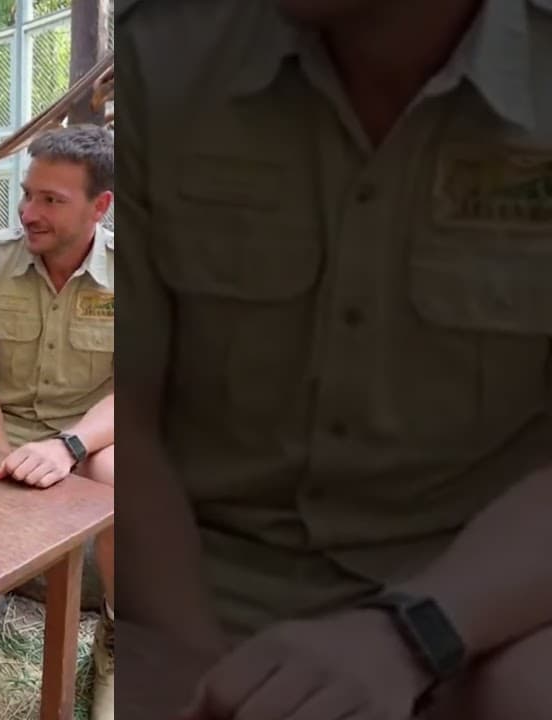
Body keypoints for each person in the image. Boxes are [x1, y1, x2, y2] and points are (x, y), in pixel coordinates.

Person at [119, 0, 552, 717]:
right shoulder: (163, 53)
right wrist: (212, 683)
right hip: (208, 575)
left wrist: (414, 637)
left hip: (490, 584)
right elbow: (130, 421)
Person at [0, 124, 128, 718]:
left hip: (91, 428)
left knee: (127, 472)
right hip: (2, 422)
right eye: (27, 194)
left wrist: (68, 446)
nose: (28, 212)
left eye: (51, 200)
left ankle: (119, 644)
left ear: (101, 206)